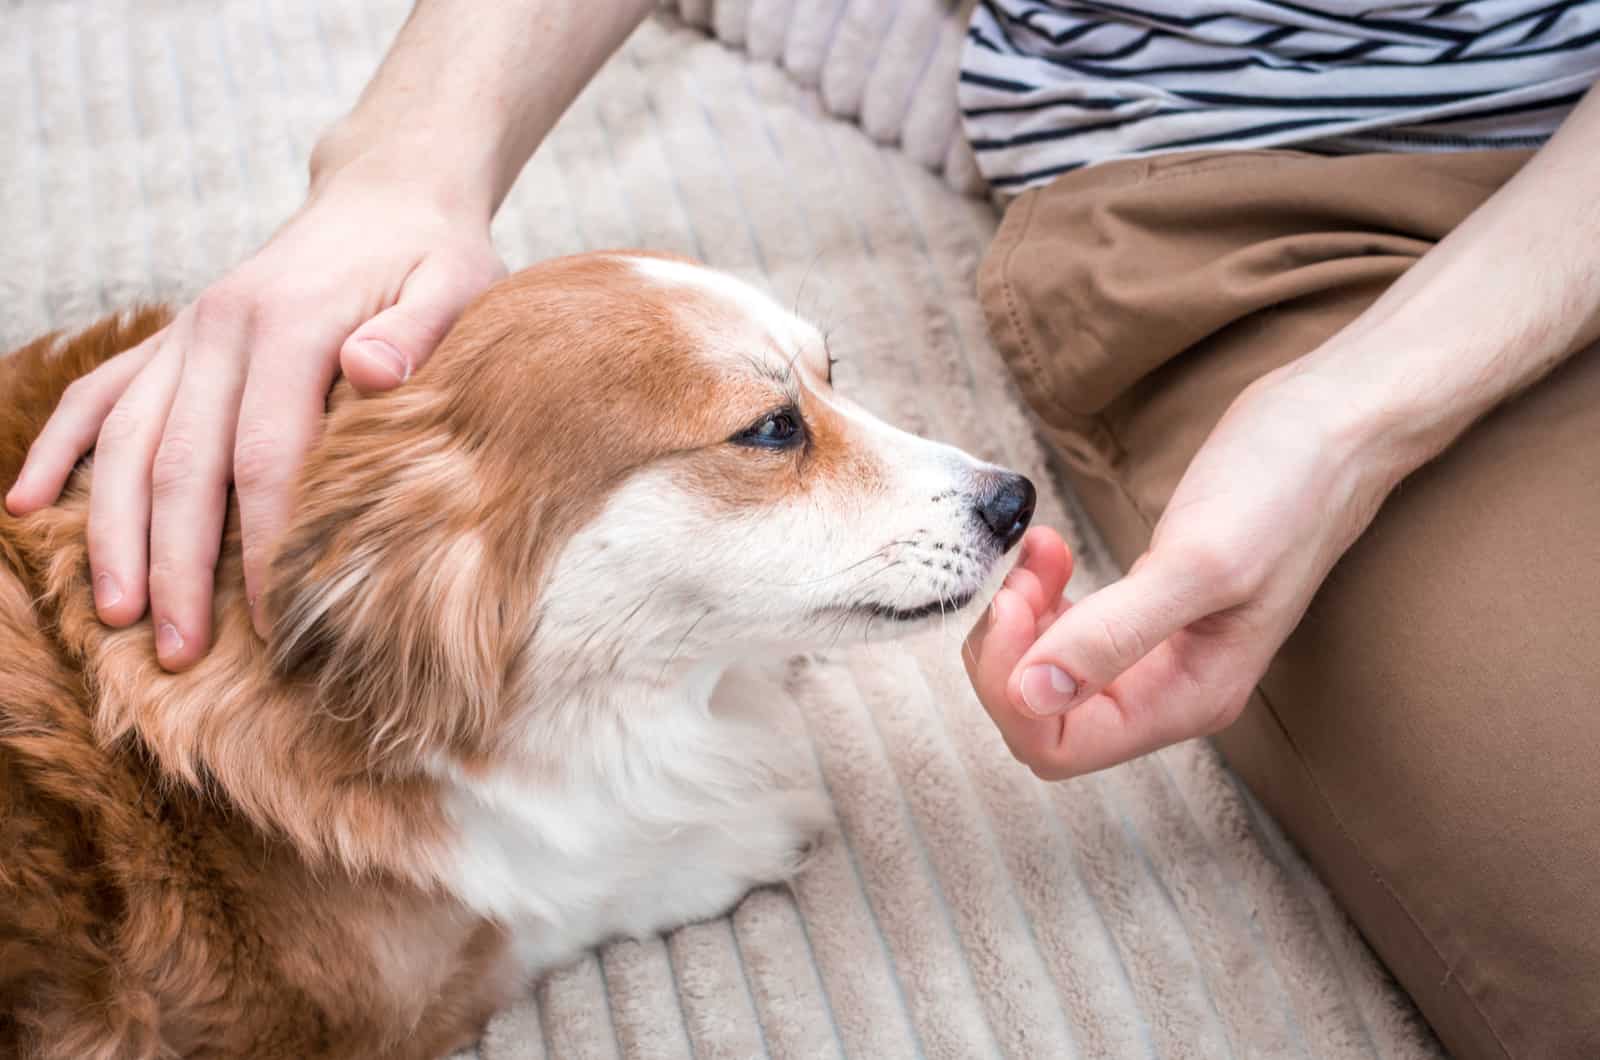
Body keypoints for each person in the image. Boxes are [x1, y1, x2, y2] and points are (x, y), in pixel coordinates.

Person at [6, 2, 1597, 1055]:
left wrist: (1355, 419)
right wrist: (400, 153)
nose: (970, 484)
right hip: (1247, 147)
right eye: (778, 433)